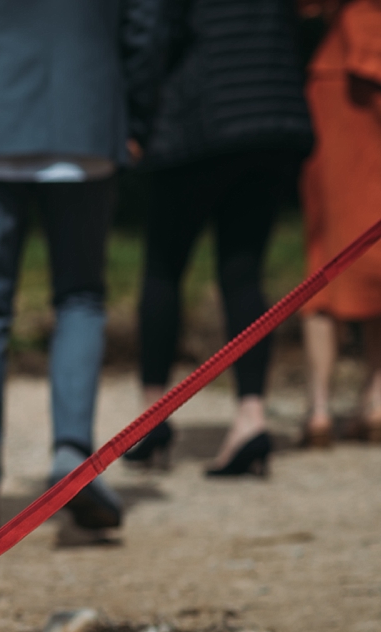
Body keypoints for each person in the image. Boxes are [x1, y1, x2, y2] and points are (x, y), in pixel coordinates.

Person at [0, 0, 161, 549]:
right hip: (84, 109)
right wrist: (135, 114)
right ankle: (71, 454)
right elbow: (145, 24)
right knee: (81, 297)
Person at [124, 0, 314, 475]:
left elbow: (152, 28)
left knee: (164, 267)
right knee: (244, 272)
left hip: (200, 110)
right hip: (272, 112)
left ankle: (153, 416)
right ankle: (251, 417)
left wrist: (136, 118)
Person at [297, 0, 381, 447]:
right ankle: (377, 398)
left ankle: (320, 409)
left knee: (327, 250)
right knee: (376, 250)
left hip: (338, 70)